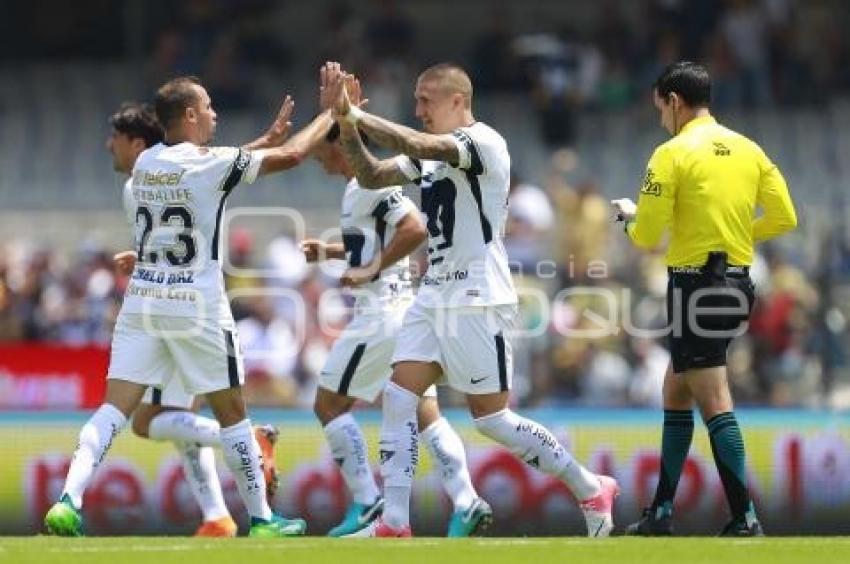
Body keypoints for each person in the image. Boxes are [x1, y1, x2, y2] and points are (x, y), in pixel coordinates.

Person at [326, 63, 618, 537]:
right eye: (416, 101)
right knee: (399, 399)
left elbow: (420, 144)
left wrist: (355, 115)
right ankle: (394, 525)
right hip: (433, 295)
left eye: (426, 100)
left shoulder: (483, 143)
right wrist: (346, 125)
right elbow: (373, 173)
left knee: (493, 420)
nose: (418, 110)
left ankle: (589, 486)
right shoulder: (434, 153)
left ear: (458, 101)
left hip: (477, 297)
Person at [45, 74, 335, 537]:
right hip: (196, 306)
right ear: (190, 115)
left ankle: (67, 501)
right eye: (209, 106)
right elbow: (293, 156)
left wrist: (259, 143)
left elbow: (209, 174)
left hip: (143, 302)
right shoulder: (207, 164)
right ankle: (261, 518)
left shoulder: (145, 167)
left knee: (114, 412)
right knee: (233, 414)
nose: (216, 114)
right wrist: (332, 114)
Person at [611, 61, 797, 536]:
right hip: (736, 283)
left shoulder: (671, 153)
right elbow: (785, 217)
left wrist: (630, 218)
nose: (660, 120)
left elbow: (647, 235)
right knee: (676, 387)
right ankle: (661, 512)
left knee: (712, 395)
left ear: (673, 101)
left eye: (660, 109)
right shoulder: (748, 148)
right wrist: (735, 236)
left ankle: (745, 518)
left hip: (697, 287)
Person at [303, 111, 492, 537]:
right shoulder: (358, 191)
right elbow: (383, 239)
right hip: (402, 315)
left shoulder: (370, 186)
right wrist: (332, 252)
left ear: (339, 146)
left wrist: (370, 267)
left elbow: (413, 228)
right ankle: (466, 500)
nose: (321, 164)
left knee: (328, 405)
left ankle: (368, 502)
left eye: (321, 155)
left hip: (380, 317)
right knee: (426, 415)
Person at [106, 101, 290, 537]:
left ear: (140, 145)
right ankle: (216, 515)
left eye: (114, 141)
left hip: (174, 310)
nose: (108, 148)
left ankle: (249, 451)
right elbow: (214, 170)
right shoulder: (186, 173)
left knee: (149, 420)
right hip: (192, 305)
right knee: (171, 418)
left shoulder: (141, 182)